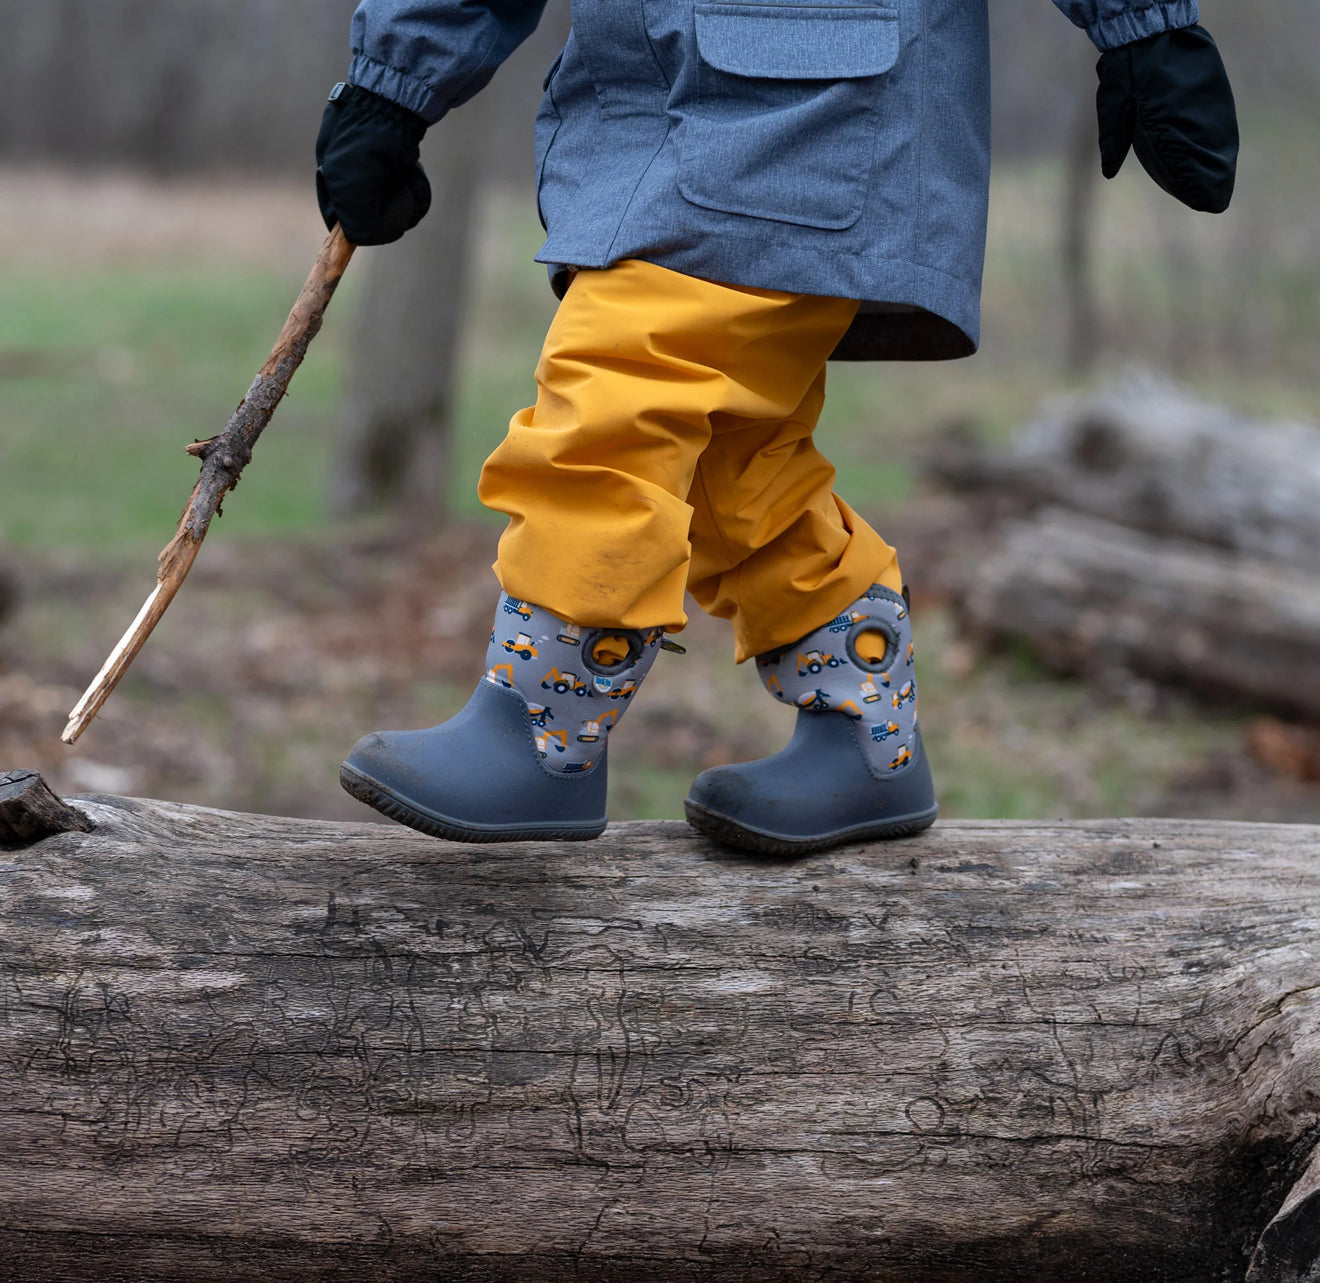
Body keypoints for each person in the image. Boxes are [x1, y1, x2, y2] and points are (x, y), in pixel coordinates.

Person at [318, 0, 1237, 854]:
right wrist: (392, 80)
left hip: (817, 101)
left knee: (626, 387)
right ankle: (864, 730)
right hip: (632, 105)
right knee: (734, 464)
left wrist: (1142, 25)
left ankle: (539, 729)